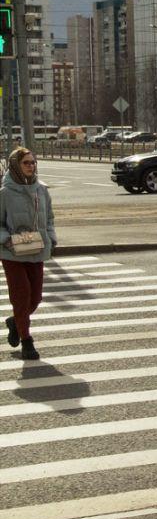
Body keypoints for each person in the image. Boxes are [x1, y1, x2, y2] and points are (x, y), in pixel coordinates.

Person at [2, 147, 57, 361]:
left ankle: (15, 322)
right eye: (26, 162)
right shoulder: (5, 193)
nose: (31, 166)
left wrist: (51, 238)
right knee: (21, 296)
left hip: (37, 249)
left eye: (33, 162)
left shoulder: (41, 189)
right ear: (16, 165)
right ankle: (26, 341)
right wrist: (7, 239)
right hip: (12, 252)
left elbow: (50, 218)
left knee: (35, 298)